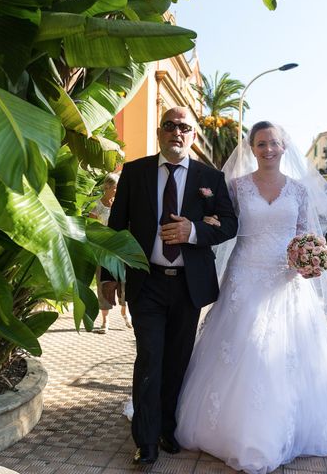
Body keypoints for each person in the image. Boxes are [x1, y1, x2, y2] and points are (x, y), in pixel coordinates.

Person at [174, 121, 327, 474]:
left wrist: (310, 259)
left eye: (274, 143)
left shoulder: (298, 191)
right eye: (261, 143)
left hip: (286, 280)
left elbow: (305, 234)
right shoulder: (236, 187)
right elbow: (223, 225)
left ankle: (285, 429)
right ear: (252, 148)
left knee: (286, 354)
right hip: (244, 277)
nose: (268, 149)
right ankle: (239, 431)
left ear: (285, 147)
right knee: (246, 347)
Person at [101, 106, 238, 465]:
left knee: (177, 361)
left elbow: (229, 224)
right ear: (160, 132)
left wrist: (193, 231)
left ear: (193, 136)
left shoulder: (211, 178)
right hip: (147, 283)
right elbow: (116, 228)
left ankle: (166, 427)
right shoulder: (135, 172)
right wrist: (107, 277)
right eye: (169, 126)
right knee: (149, 357)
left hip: (188, 286)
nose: (176, 132)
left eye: (184, 127)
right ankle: (145, 440)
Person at [89, 173, 132, 333]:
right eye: (115, 188)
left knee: (125, 282)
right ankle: (105, 321)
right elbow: (91, 228)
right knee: (104, 283)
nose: (117, 191)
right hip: (105, 252)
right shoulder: (97, 206)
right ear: (107, 188)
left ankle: (125, 312)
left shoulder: (124, 205)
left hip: (122, 251)